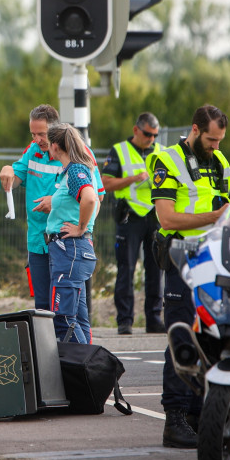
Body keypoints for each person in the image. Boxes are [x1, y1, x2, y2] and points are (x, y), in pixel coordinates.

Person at [149, 105, 230, 449]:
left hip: (213, 260)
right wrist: (214, 217)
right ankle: (176, 418)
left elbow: (227, 207)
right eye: (211, 139)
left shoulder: (221, 161)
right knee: (181, 337)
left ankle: (201, 415)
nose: (215, 146)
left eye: (220, 140)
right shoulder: (167, 160)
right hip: (182, 258)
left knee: (211, 338)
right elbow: (166, 218)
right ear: (195, 130)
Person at [101, 112, 164, 335]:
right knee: (126, 268)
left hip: (155, 216)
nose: (151, 139)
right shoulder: (119, 151)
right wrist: (133, 179)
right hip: (129, 216)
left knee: (156, 268)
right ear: (136, 130)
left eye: (155, 135)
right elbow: (105, 183)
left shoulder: (162, 152)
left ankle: (154, 318)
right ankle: (125, 320)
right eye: (147, 134)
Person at [0, 104, 63, 316]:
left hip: (64, 239)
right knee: (42, 306)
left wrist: (56, 201)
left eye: (42, 134)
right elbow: (17, 177)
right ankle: (46, 349)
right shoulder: (33, 149)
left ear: (55, 130)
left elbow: (92, 196)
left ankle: (67, 348)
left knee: (64, 304)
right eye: (33, 134)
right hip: (36, 240)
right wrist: (8, 170)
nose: (37, 139)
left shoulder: (72, 152)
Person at [43, 122, 101, 343]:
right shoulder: (76, 170)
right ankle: (87, 371)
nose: (47, 149)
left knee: (64, 318)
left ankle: (78, 370)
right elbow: (94, 200)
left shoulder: (76, 170)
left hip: (70, 250)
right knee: (79, 318)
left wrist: (81, 228)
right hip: (72, 251)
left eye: (49, 144)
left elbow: (89, 198)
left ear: (56, 146)